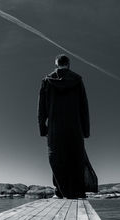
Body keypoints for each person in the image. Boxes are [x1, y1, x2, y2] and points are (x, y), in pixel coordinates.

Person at [37, 54, 98, 199]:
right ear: (68, 64)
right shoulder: (77, 80)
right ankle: (77, 191)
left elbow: (41, 108)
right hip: (74, 126)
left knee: (56, 157)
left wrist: (42, 128)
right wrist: (86, 130)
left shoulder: (47, 81)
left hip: (55, 126)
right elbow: (84, 107)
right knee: (75, 156)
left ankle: (60, 191)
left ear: (56, 64)